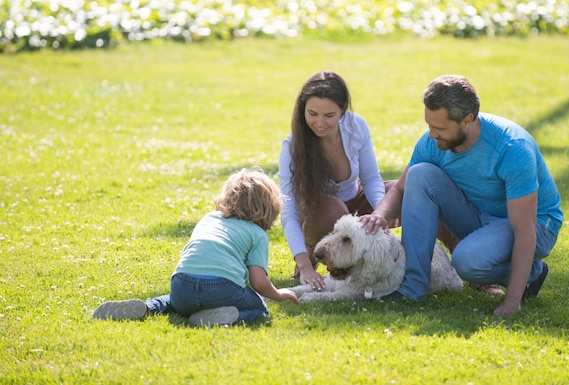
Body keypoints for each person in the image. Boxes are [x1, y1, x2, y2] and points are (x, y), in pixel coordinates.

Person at [360, 75, 563, 318]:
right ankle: (412, 288)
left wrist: (512, 301)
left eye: (440, 128)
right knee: (419, 174)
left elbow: (525, 229)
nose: (432, 134)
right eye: (429, 126)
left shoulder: (512, 148)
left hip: (535, 224)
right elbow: (402, 189)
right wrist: (379, 215)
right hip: (480, 213)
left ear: (467, 120)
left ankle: (532, 274)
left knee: (467, 262)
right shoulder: (432, 143)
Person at [93, 167, 299, 327]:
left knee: (172, 301)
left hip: (182, 285)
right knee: (260, 308)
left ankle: (148, 307)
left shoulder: (209, 218)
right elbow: (259, 283)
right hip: (222, 289)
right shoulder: (257, 234)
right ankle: (223, 318)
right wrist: (279, 295)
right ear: (269, 208)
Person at [278, 71, 396, 291]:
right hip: (320, 213)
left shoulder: (356, 126)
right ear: (302, 109)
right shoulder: (292, 146)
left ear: (342, 110)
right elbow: (289, 210)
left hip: (356, 202)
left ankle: (428, 262)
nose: (320, 123)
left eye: (329, 115)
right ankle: (315, 252)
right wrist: (304, 266)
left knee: (404, 192)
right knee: (333, 207)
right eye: (312, 113)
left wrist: (381, 214)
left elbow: (370, 179)